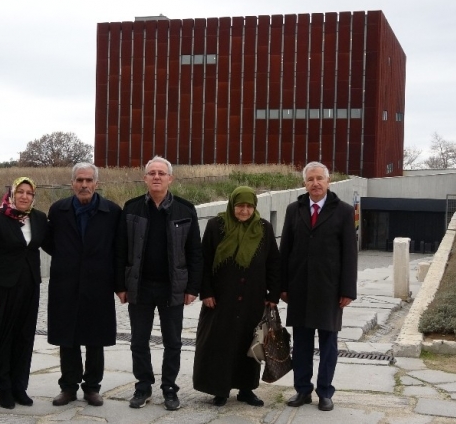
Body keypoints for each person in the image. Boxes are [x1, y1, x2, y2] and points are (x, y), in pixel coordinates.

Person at [116, 155, 203, 411]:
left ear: (170, 178)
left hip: (172, 288)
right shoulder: (131, 208)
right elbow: (120, 250)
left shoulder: (185, 210)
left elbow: (195, 252)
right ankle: (143, 387)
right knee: (139, 341)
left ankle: (169, 388)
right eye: (151, 173)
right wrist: (120, 285)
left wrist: (192, 288)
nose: (156, 177)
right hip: (140, 287)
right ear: (145, 178)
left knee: (173, 342)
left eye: (161, 173)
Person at [280, 161, 357, 412]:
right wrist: (282, 285)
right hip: (299, 288)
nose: (315, 183)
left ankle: (325, 392)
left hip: (329, 290)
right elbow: (285, 250)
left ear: (328, 181)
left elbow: (349, 254)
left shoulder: (344, 211)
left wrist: (347, 290)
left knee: (328, 344)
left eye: (319, 179)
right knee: (301, 344)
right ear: (305, 183)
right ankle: (302, 390)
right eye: (310, 179)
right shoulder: (294, 209)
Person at [42, 163, 121, 407]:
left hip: (99, 283)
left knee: (95, 338)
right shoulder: (58, 210)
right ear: (72, 183)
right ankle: (68, 387)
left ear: (96, 183)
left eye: (88, 180)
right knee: (68, 337)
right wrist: (68, 258)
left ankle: (92, 387)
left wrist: (119, 284)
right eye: (79, 180)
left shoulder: (112, 211)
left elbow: (119, 250)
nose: (84, 185)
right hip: (66, 283)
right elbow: (49, 242)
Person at [193, 186, 281, 407]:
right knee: (218, 343)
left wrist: (273, 294)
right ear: (232, 205)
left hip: (253, 298)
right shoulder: (217, 226)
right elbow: (203, 261)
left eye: (249, 206)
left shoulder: (264, 228)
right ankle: (219, 389)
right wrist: (207, 292)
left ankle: (246, 389)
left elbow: (273, 264)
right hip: (221, 298)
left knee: (249, 344)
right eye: (240, 206)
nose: (244, 210)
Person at [0, 177, 48, 409]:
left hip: (30, 287)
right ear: (12, 194)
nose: (24, 196)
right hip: (2, 290)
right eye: (20, 192)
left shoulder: (39, 218)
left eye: (29, 193)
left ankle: (18, 387)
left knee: (24, 337)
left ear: (34, 197)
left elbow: (52, 243)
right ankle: (3, 387)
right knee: (2, 338)